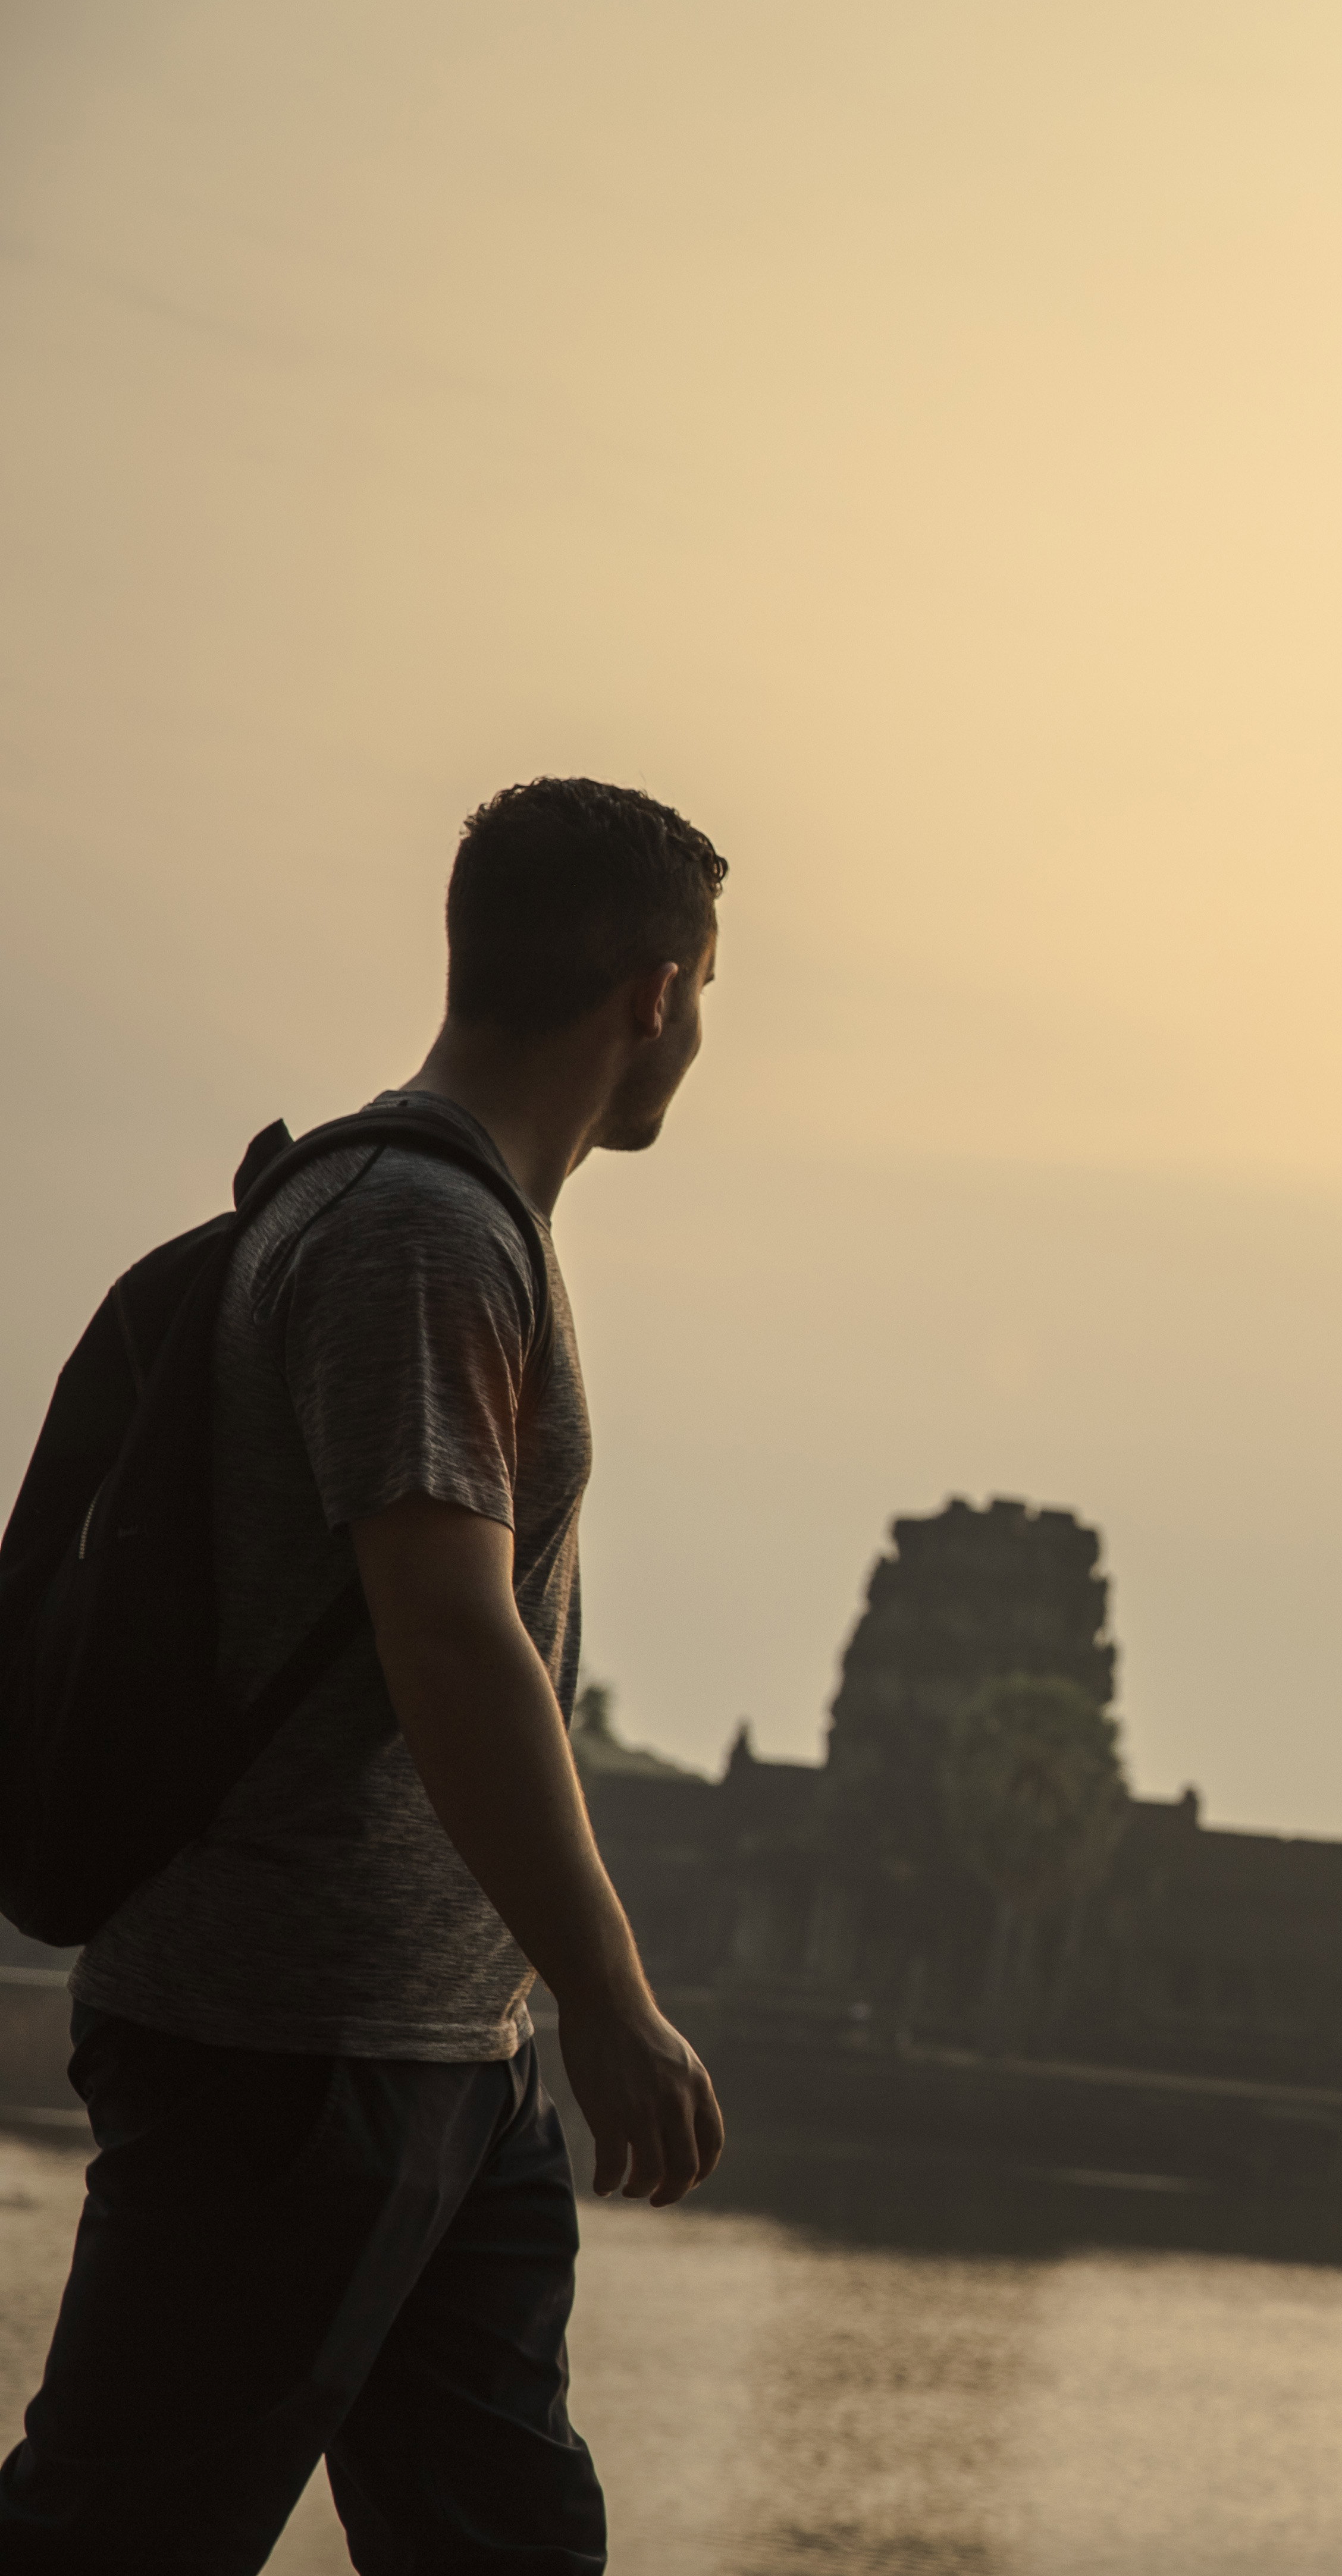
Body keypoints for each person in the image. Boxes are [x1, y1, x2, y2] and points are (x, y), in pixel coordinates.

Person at [1, 780, 736, 2574]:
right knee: (122, 2535)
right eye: (707, 991)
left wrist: (534, 2014)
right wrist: (616, 1996)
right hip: (291, 2045)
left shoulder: (459, 1223)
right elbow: (450, 1631)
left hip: (444, 2057)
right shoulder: (422, 1236)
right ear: (652, 992)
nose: (701, 1034)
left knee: (503, 2544)